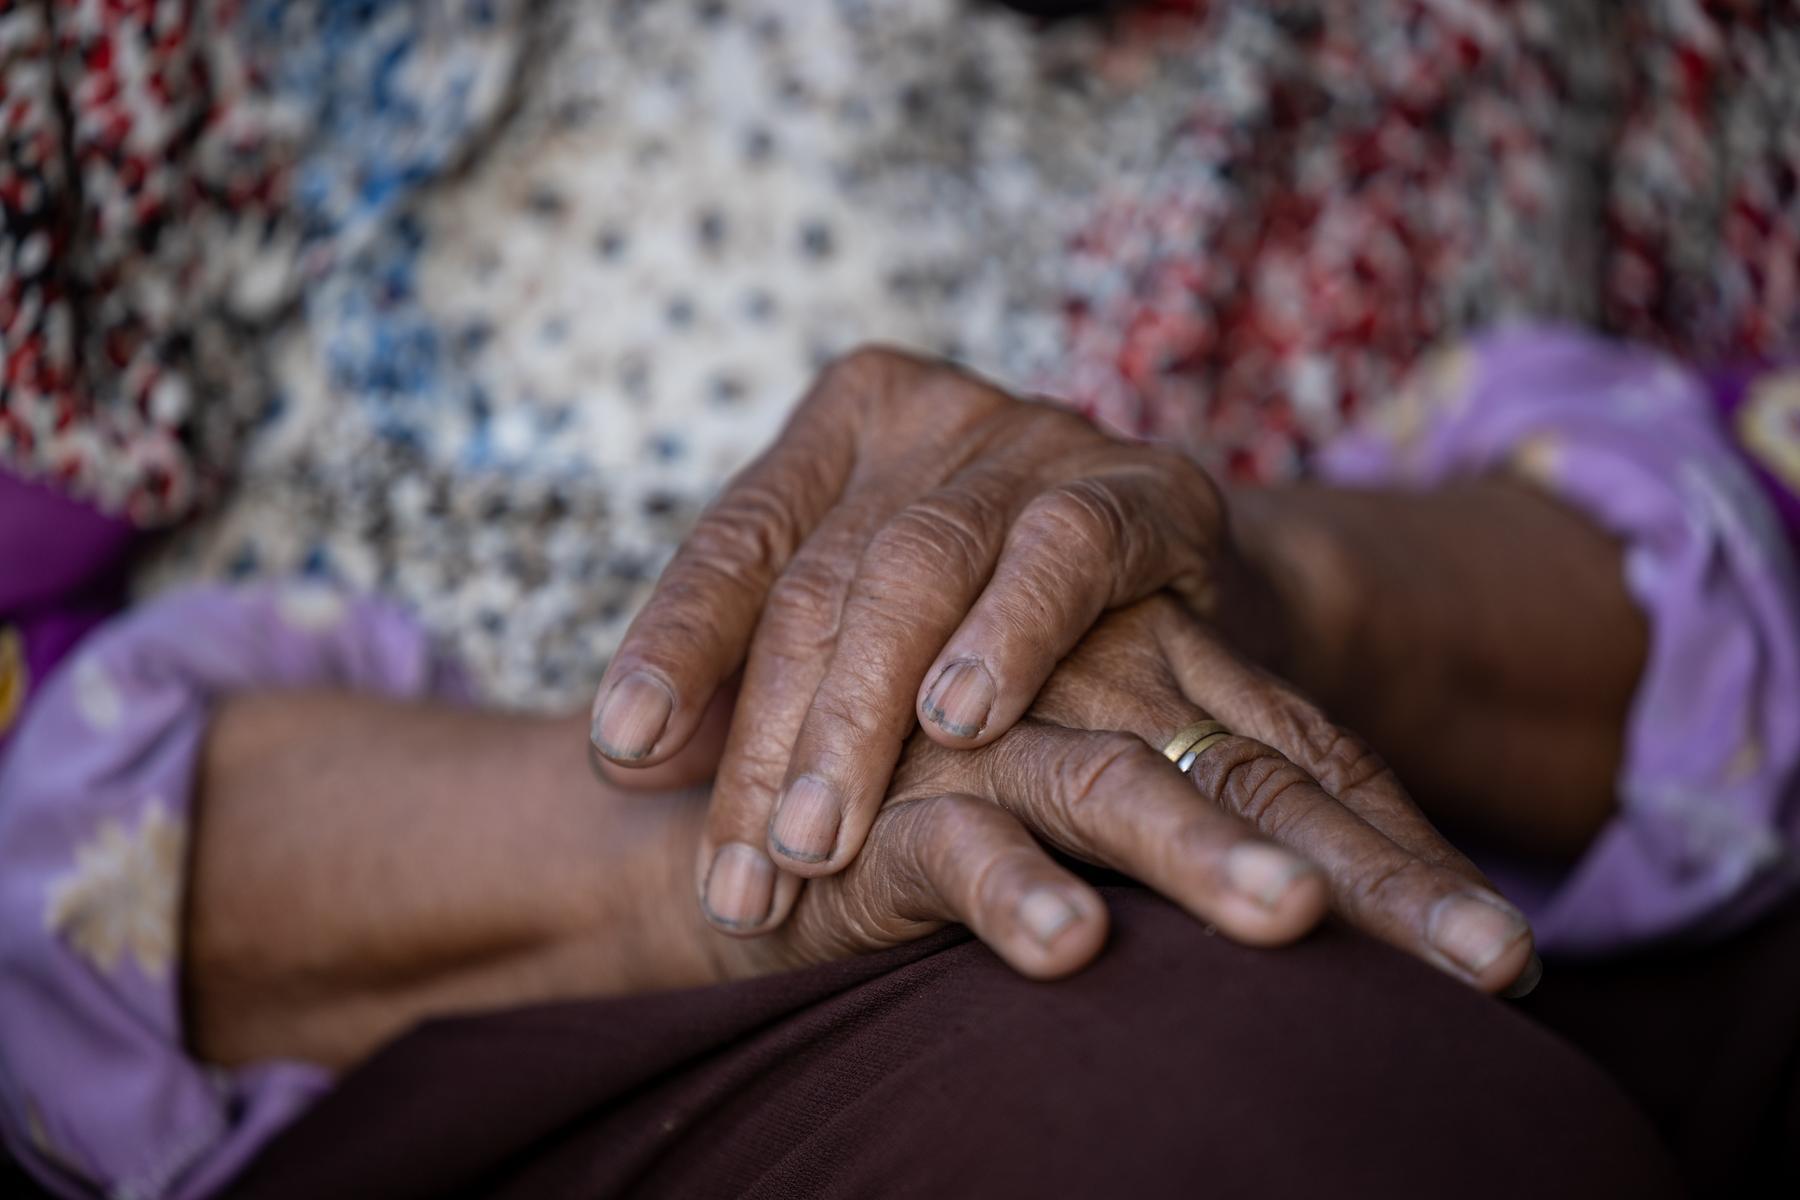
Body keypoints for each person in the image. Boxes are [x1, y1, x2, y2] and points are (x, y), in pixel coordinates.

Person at [3, 1, 1797, 1196]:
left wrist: (1267, 596)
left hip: (1475, 874)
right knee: (1240, 1113)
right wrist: (758, 841)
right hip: (484, 982)